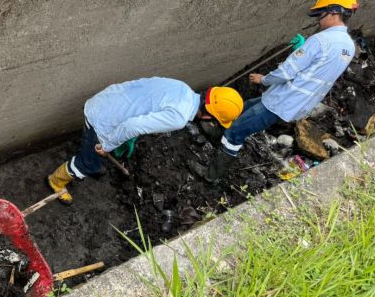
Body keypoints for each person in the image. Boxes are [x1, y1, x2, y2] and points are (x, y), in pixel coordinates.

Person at [194, 0, 359, 184]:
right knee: (243, 109)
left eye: (320, 14)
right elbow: (319, 70)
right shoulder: (348, 46)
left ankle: (211, 175)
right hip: (294, 104)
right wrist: (303, 51)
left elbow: (287, 72)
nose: (318, 19)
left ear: (334, 12)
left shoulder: (320, 40)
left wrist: (263, 80)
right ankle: (218, 133)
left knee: (236, 132)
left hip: (280, 101)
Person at [46, 78, 243, 204]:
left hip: (109, 99)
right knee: (88, 162)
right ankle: (56, 181)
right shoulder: (179, 117)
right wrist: (106, 145)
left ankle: (92, 161)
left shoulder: (183, 88)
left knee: (97, 154)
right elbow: (133, 127)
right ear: (209, 117)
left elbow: (143, 91)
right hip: (103, 120)